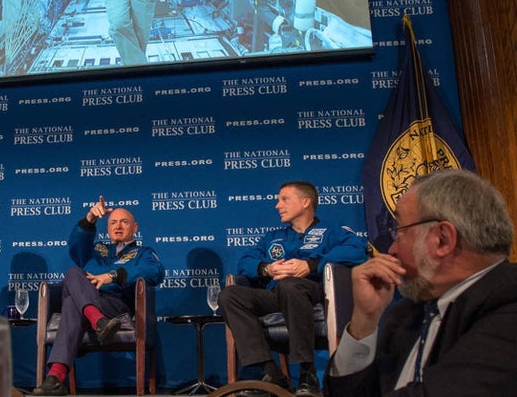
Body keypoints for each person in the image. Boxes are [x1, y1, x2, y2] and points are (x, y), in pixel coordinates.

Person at [324, 169, 517, 396]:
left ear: (442, 239)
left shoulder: (509, 307)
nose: (391, 250)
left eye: (398, 232)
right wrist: (364, 322)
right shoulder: (406, 315)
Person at [219, 181, 367, 397]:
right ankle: (271, 373)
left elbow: (357, 251)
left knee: (291, 286)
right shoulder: (273, 237)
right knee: (229, 295)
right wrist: (266, 268)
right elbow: (246, 261)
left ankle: (307, 374)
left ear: (305, 202)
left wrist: (311, 265)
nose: (277, 205)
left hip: (315, 294)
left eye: (284, 199)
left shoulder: (332, 231)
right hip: (276, 294)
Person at [32, 196, 165, 396]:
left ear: (135, 227)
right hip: (90, 298)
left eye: (124, 222)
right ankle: (99, 322)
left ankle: (55, 378)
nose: (118, 226)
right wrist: (90, 219)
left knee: (70, 304)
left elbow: (154, 272)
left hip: (114, 303)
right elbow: (76, 246)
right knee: (73, 273)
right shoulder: (96, 250)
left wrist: (114, 276)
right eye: (113, 222)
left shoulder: (143, 252)